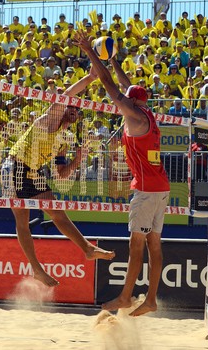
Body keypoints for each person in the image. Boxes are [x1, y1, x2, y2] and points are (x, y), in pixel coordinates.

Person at [75, 30, 170, 317]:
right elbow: (126, 85)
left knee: (136, 245)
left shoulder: (133, 114)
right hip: (161, 188)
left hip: (146, 191)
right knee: (154, 244)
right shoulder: (147, 114)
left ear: (131, 103)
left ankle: (126, 297)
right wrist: (114, 60)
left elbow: (108, 84)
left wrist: (88, 51)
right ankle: (151, 299)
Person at [0, 69, 115, 287]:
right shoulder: (51, 119)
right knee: (22, 220)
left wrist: (78, 160)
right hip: (14, 166)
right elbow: (67, 95)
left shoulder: (64, 139)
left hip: (34, 171)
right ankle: (36, 269)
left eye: (76, 110)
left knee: (57, 212)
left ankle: (88, 249)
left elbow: (62, 175)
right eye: (70, 107)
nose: (73, 110)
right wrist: (90, 78)